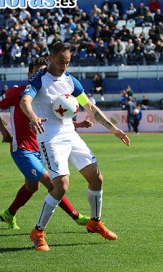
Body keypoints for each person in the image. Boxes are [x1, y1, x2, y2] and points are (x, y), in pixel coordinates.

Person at [20, 42, 130, 251]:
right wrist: (32, 115)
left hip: (70, 133)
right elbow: (25, 101)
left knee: (96, 177)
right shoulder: (39, 79)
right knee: (61, 185)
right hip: (50, 136)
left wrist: (113, 128)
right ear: (50, 58)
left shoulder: (71, 81)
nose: (64, 65)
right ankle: (38, 232)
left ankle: (95, 222)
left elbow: (90, 107)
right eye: (61, 61)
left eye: (67, 62)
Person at [0, 57, 93, 230]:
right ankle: (77, 217)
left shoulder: (48, 96)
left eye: (43, 71)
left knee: (31, 186)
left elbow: (53, 121)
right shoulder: (18, 92)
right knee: (53, 184)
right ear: (29, 74)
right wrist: (4, 132)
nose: (40, 74)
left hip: (40, 148)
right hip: (22, 150)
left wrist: (78, 125)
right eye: (37, 71)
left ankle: (8, 214)